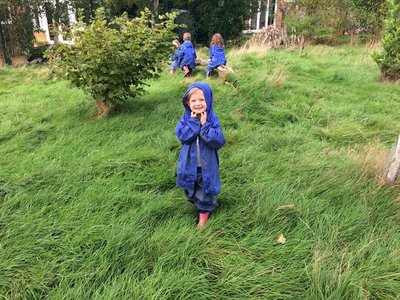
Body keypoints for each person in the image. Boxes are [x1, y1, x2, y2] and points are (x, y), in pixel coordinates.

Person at [176, 82, 226, 228]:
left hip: (207, 164)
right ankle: (197, 203)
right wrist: (193, 123)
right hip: (189, 163)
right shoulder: (185, 119)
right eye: (193, 100)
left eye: (202, 100)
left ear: (208, 101)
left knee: (205, 189)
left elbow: (218, 141)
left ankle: (203, 215)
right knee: (190, 187)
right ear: (187, 102)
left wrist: (204, 126)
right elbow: (183, 137)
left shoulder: (212, 120)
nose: (198, 104)